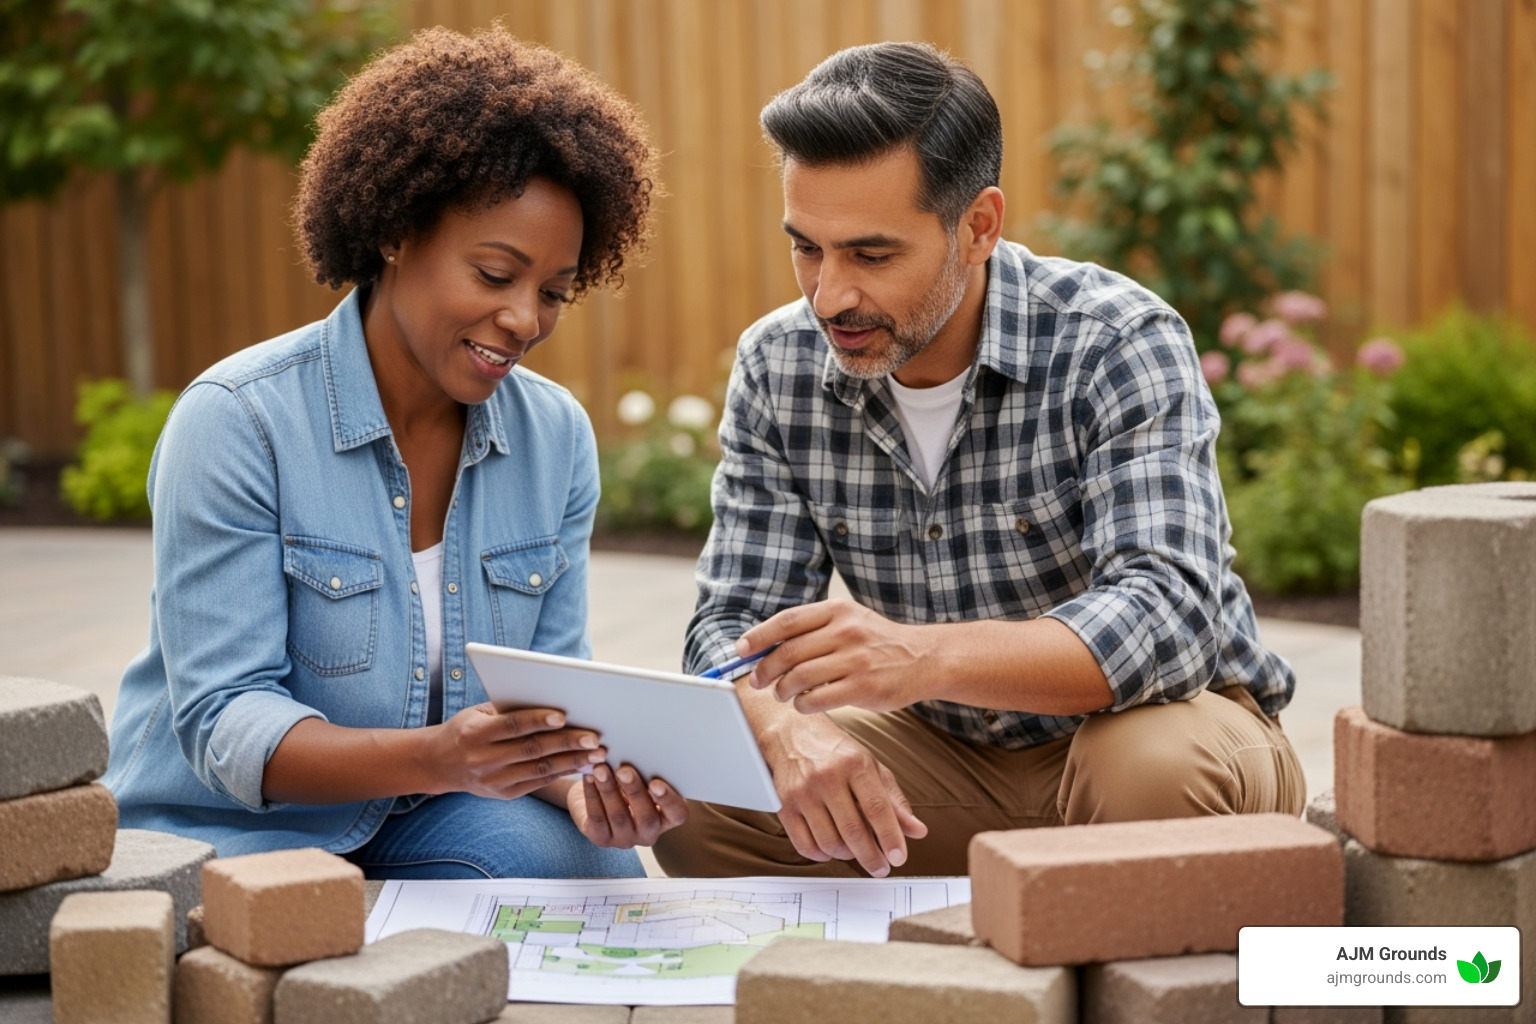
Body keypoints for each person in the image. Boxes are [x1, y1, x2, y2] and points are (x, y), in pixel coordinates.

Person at [653, 41, 1305, 880]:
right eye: (807, 247)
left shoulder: (1116, 339)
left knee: (1146, 769)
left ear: (978, 226)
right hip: (949, 765)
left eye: (871, 255)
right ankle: (1025, 904)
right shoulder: (778, 366)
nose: (829, 296)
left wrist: (922, 657)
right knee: (705, 794)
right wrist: (786, 731)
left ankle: (1102, 923)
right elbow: (727, 631)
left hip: (1164, 737)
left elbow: (1171, 619)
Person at [103, 27, 687, 878]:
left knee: (597, 874)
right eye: (495, 275)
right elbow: (224, 721)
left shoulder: (554, 438)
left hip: (432, 813)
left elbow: (547, 701)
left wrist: (588, 784)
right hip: (233, 830)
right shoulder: (239, 420)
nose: (525, 319)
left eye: (554, 292)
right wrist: (440, 758)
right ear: (396, 232)